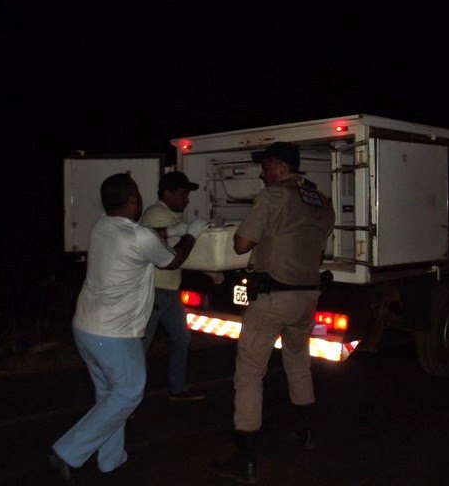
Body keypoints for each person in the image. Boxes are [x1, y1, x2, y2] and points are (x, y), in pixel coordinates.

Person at [49, 173, 207, 482]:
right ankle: (67, 451)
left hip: (85, 327)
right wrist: (192, 234)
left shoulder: (101, 227)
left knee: (110, 395)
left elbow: (147, 235)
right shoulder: (138, 237)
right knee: (129, 394)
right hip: (114, 334)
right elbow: (172, 261)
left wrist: (174, 229)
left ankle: (111, 460)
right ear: (133, 200)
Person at [211, 142, 335, 484]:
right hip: (307, 296)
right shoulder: (321, 201)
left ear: (280, 167)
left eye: (265, 168)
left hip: (273, 296)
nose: (262, 174)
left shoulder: (273, 197)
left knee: (250, 370)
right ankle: (306, 431)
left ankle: (246, 459)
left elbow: (240, 244)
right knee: (298, 360)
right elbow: (319, 246)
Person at [140, 171, 206, 402]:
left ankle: (177, 389)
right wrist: (192, 234)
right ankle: (129, 397)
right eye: (183, 194)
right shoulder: (157, 215)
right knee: (142, 345)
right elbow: (172, 256)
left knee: (181, 338)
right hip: (154, 290)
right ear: (167, 193)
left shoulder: (169, 215)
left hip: (168, 291)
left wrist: (209, 269)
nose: (187, 199)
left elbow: (181, 252)